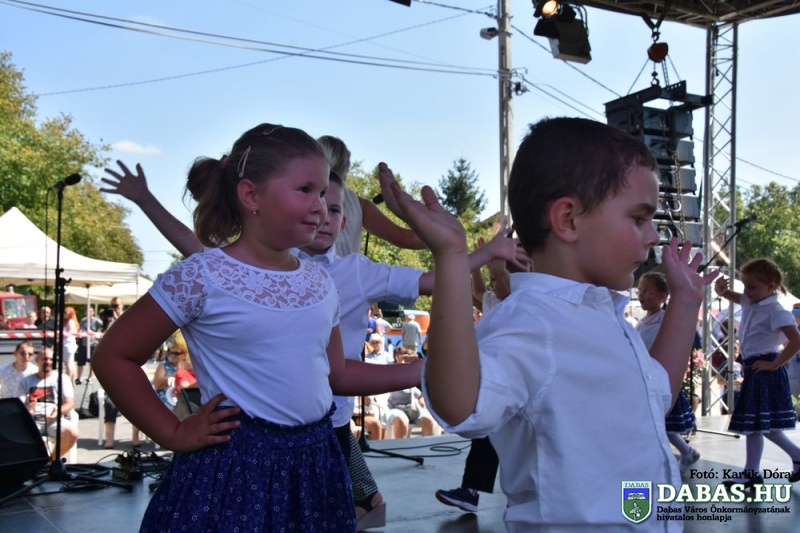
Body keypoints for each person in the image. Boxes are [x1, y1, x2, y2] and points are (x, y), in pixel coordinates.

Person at [379, 116, 718, 530]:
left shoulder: (602, 315)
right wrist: (451, 258)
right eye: (638, 218)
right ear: (568, 220)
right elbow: (462, 405)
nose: (653, 237)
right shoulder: (533, 321)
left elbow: (657, 394)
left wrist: (686, 302)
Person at [92, 122, 421, 532]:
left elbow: (336, 373)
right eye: (305, 190)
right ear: (251, 196)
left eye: (323, 193)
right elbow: (113, 356)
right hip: (235, 470)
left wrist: (422, 372)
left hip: (315, 464)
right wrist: (172, 431)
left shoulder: (320, 282)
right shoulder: (202, 276)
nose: (320, 206)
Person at [714, 258, 800, 487]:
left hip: (766, 368)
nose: (746, 291)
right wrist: (722, 291)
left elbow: (796, 341)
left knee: (759, 424)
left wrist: (774, 364)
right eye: (745, 285)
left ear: (771, 286)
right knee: (756, 424)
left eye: (751, 286)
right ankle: (754, 470)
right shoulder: (751, 301)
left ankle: (757, 470)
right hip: (756, 367)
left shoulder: (776, 311)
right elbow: (736, 296)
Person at [635, 271, 701, 476]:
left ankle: (668, 461)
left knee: (660, 425)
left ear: (662, 296)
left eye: (647, 291)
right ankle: (685, 452)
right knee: (661, 426)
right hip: (645, 376)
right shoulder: (642, 322)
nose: (641, 295)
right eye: (640, 291)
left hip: (659, 377)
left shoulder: (663, 320)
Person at [20, 347, 79, 462]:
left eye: (50, 359)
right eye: (44, 359)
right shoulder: (25, 381)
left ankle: (50, 461)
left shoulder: (62, 378)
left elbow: (69, 403)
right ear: (37, 360)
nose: (47, 362)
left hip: (54, 420)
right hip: (32, 420)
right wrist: (27, 410)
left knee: (73, 433)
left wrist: (57, 412)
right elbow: (18, 405)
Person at [384, 348, 437, 438]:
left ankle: (425, 446)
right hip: (396, 407)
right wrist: (401, 364)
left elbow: (422, 390)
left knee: (428, 421)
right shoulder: (391, 369)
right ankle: (401, 446)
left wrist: (421, 399)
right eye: (398, 354)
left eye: (404, 354)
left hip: (413, 408)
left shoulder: (414, 371)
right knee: (402, 421)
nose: (401, 356)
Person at [75, 308, 103, 385]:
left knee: (92, 362)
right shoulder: (83, 320)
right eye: (87, 311)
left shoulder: (97, 321)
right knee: (80, 361)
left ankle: (90, 377)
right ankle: (79, 377)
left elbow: (101, 330)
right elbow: (80, 329)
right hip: (83, 344)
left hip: (92, 343)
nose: (88, 312)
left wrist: (97, 338)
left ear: (93, 312)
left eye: (90, 311)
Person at [62, 306, 80, 382]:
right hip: (69, 344)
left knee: (68, 364)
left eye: (66, 312)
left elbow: (69, 333)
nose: (64, 314)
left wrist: (61, 333)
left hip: (68, 344)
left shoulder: (70, 322)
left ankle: (68, 380)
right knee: (71, 364)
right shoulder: (70, 321)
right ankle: (72, 381)